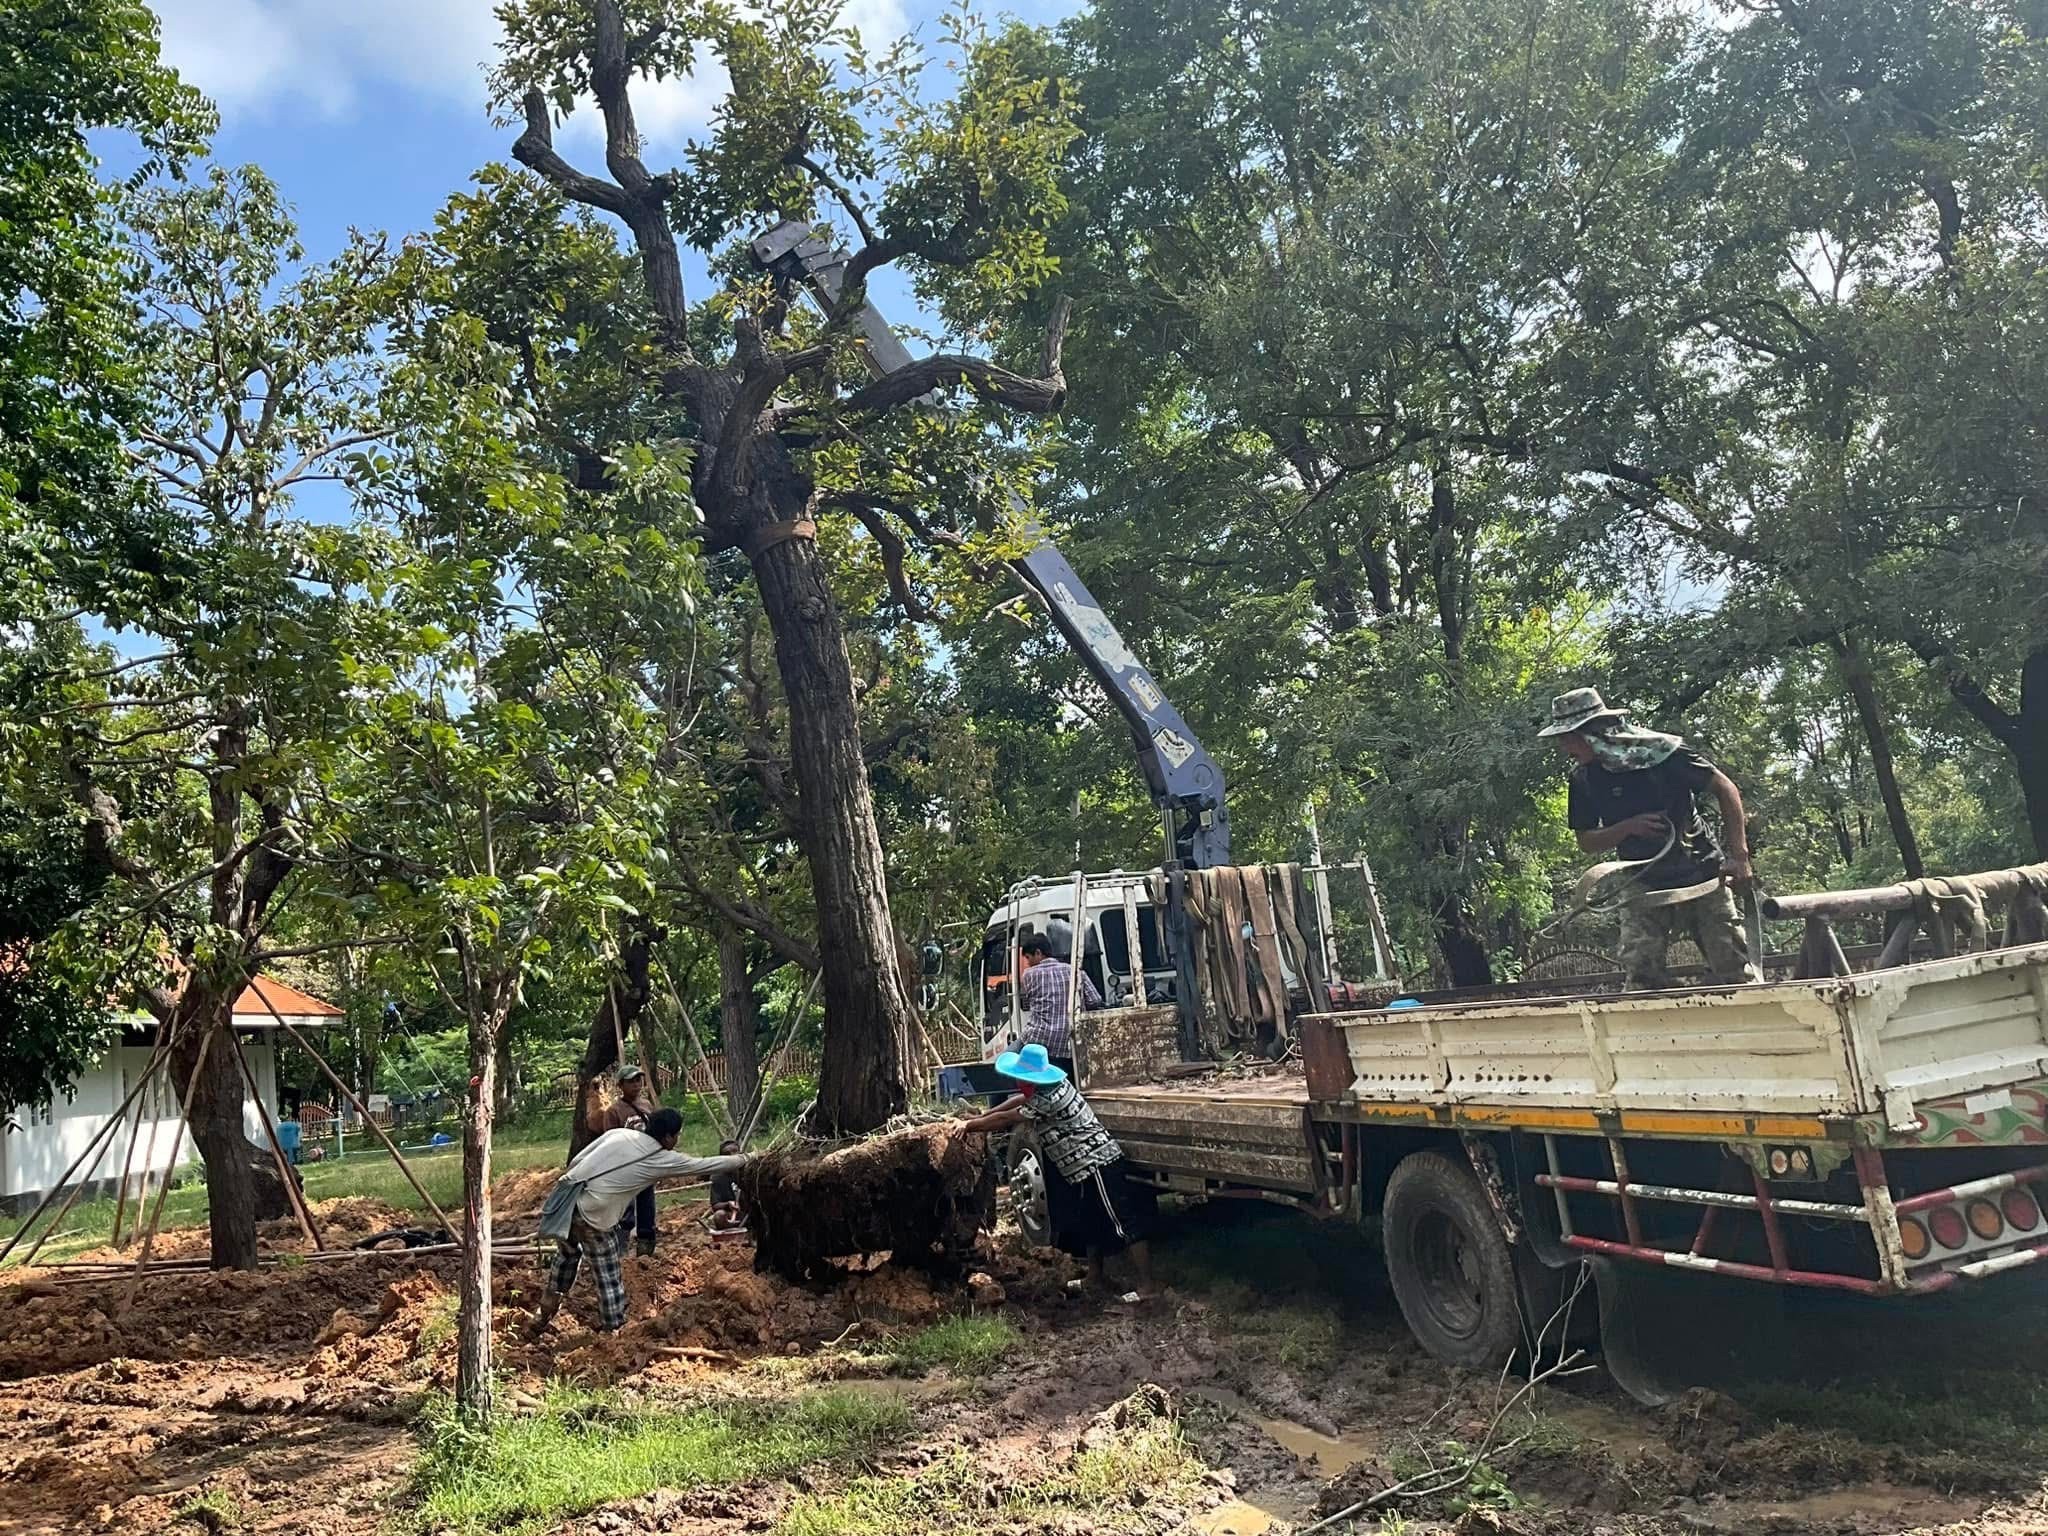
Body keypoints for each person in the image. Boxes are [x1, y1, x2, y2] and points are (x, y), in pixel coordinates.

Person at [1539, 686, 1760, 991]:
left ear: (1592, 733)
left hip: (1700, 871)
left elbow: (1726, 788)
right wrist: (1627, 828)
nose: (1565, 747)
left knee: (1732, 966)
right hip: (1642, 881)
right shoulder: (1583, 778)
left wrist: (1740, 857)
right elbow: (1587, 842)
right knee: (1642, 975)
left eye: (1568, 737)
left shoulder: (1665, 753)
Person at [961, 1043, 1154, 1300]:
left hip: (1098, 1163)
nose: (1018, 1082)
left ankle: (1148, 1286)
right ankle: (1095, 1277)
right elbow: (1016, 1102)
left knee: (1123, 1221)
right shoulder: (1048, 1087)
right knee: (1090, 1221)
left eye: (1020, 1077)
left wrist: (969, 1126)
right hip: (1083, 1169)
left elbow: (1007, 1119)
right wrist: (986, 1113)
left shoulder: (1049, 1099)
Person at [533, 1107, 746, 1335]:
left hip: (567, 1203)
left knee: (567, 1257)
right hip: (595, 1214)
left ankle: (543, 1314)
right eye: (677, 1135)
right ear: (668, 1137)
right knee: (608, 1274)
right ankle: (614, 1332)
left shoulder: (619, 1134)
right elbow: (705, 1165)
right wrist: (748, 1158)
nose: (677, 1140)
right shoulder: (660, 1159)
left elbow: (577, 1160)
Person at [1016, 932, 1102, 1074]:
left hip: (1038, 1039)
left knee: (1004, 1064)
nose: (1028, 963)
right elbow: (1095, 1000)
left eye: (1028, 958)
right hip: (1069, 1041)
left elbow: (1029, 1001)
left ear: (1038, 953)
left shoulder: (1028, 975)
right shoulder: (1076, 972)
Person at [603, 1064, 662, 1257]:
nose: (636, 1085)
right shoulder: (614, 1112)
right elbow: (610, 1142)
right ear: (620, 1085)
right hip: (625, 1166)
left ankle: (646, 1250)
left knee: (647, 1207)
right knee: (625, 1209)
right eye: (631, 1082)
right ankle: (620, 1249)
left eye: (638, 1080)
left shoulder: (647, 1106)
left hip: (645, 1164)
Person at [707, 1138, 745, 1231]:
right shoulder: (717, 1177)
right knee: (719, 1216)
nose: (732, 1156)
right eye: (727, 1154)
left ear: (740, 1154)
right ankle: (732, 1228)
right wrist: (728, 1204)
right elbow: (715, 1205)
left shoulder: (747, 1172)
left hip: (748, 1212)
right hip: (731, 1214)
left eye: (735, 1151)